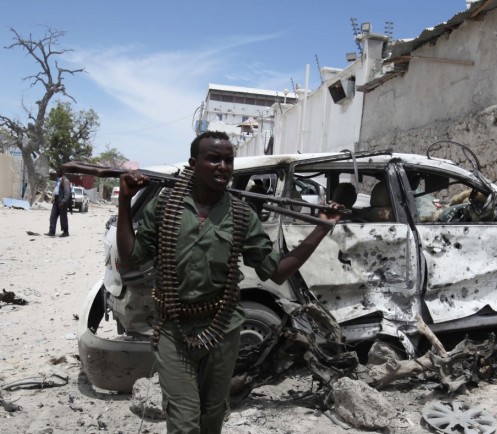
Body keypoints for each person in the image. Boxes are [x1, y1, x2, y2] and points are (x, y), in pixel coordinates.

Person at [116, 131, 343, 433]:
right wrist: (124, 201)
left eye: (228, 160)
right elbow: (130, 258)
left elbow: (277, 271)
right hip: (173, 329)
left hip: (221, 329)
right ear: (193, 163)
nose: (223, 166)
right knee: (184, 422)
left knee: (212, 416)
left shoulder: (241, 215)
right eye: (214, 159)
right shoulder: (165, 206)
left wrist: (322, 228)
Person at [46, 167, 71, 237]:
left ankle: (65, 232)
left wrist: (63, 202)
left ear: (62, 172)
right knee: (53, 216)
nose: (57, 172)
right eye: (57, 171)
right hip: (56, 200)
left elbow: (67, 193)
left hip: (62, 202)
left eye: (58, 171)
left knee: (63, 218)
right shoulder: (58, 180)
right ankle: (51, 232)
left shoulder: (65, 181)